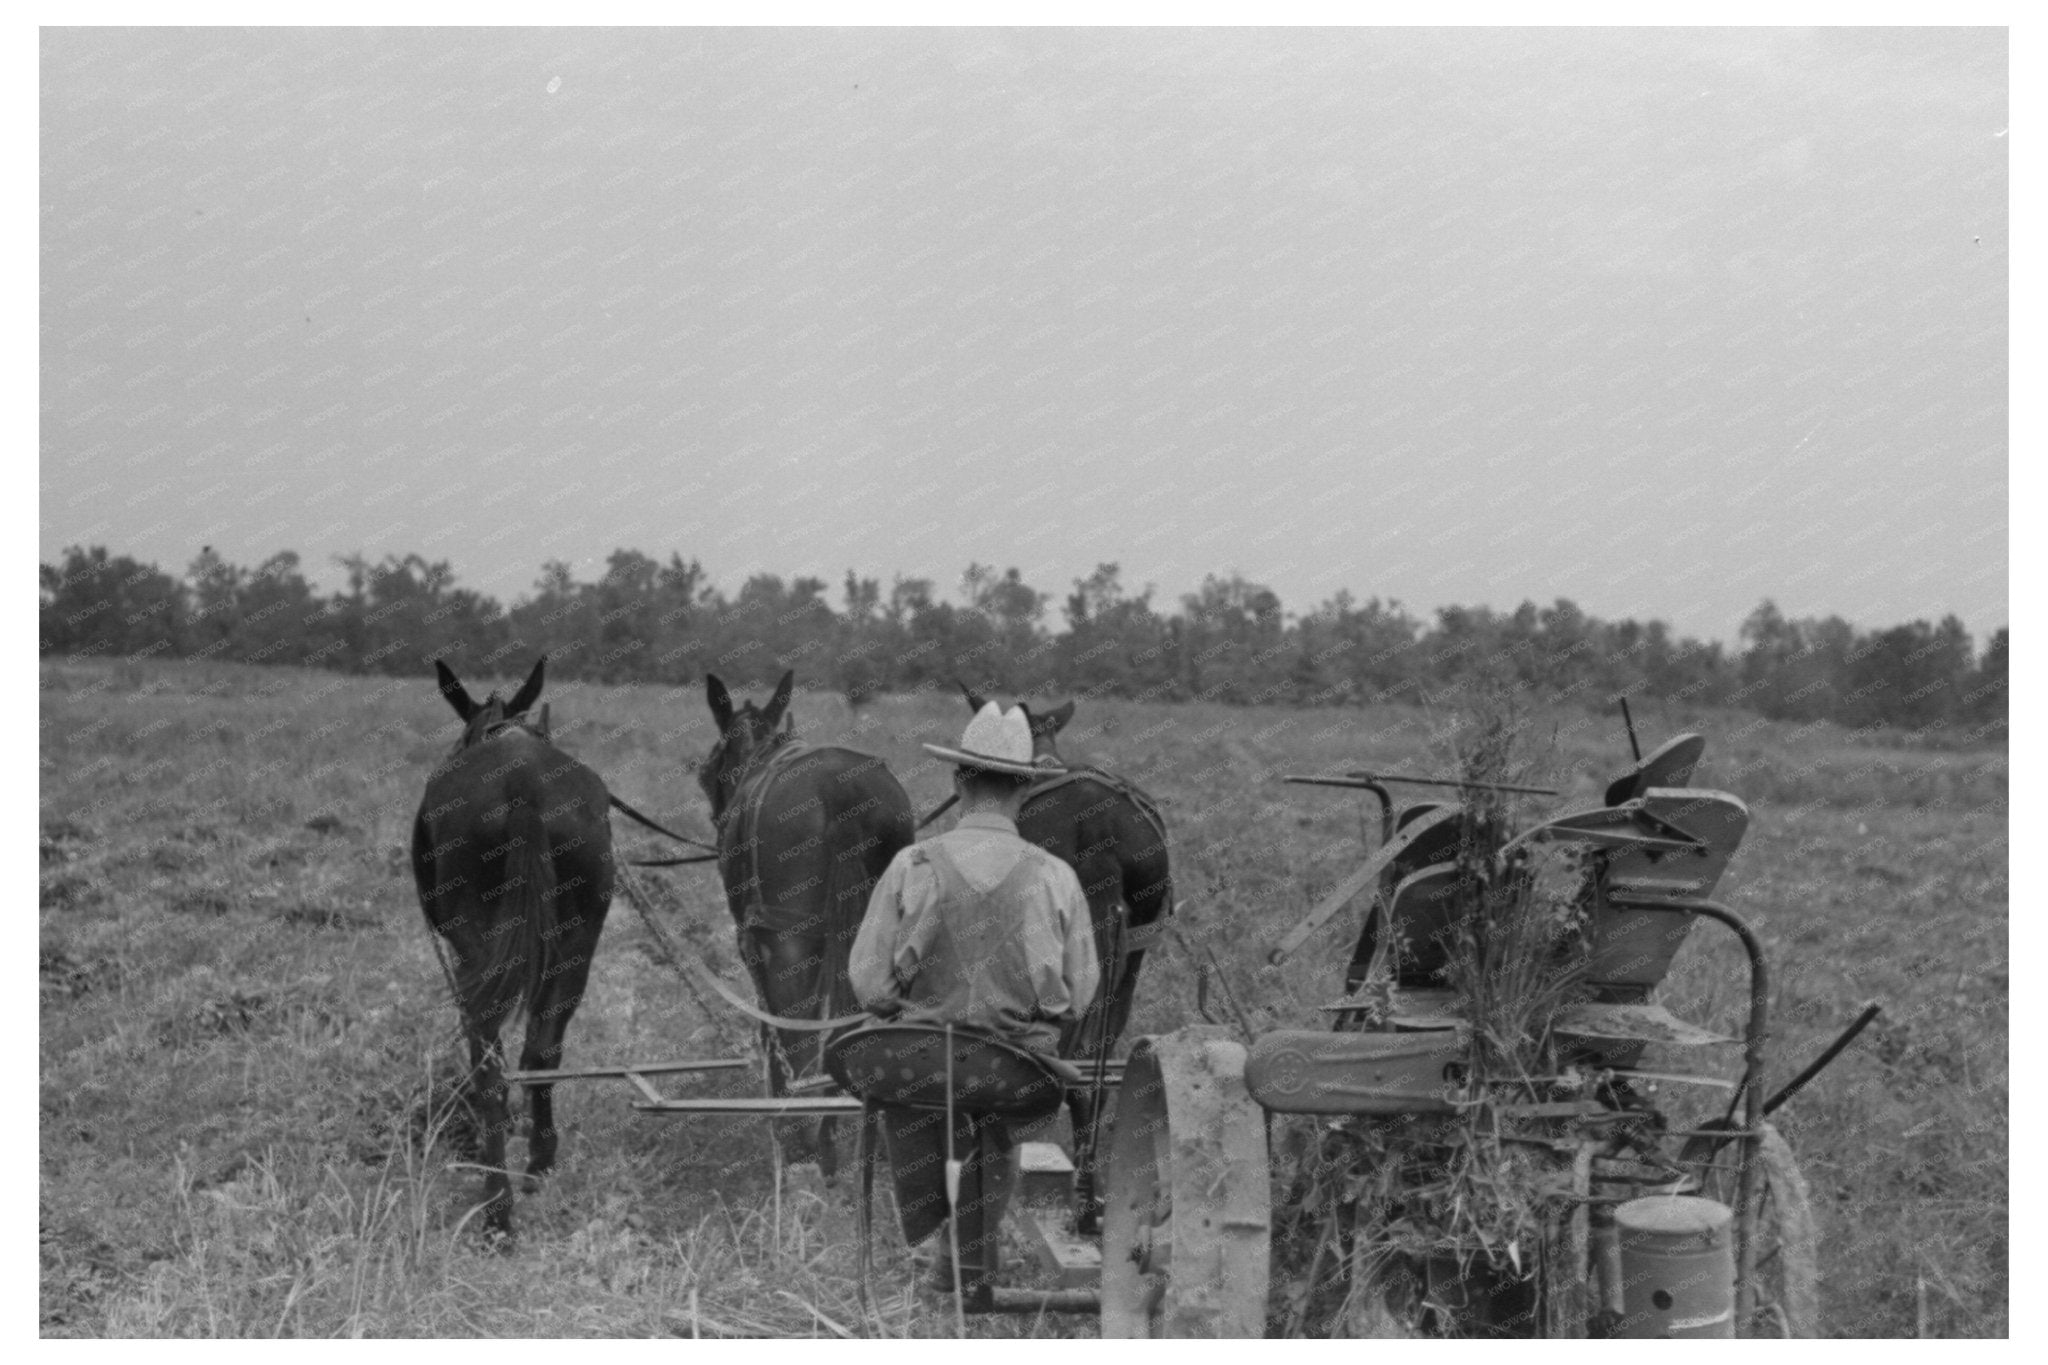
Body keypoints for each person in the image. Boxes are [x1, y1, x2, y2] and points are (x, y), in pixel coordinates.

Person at [848, 701, 1099, 1294]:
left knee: (918, 1094)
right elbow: (1080, 994)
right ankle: (967, 1265)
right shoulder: (1054, 875)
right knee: (989, 1114)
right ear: (1024, 790)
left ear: (959, 781)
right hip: (1012, 1068)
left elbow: (868, 982)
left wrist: (903, 1007)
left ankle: (943, 1254)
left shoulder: (911, 863)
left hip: (919, 1059)